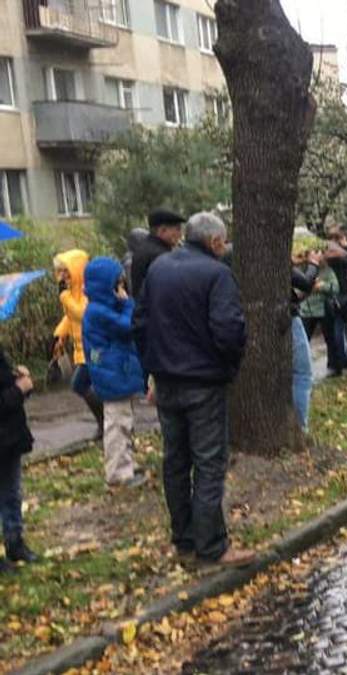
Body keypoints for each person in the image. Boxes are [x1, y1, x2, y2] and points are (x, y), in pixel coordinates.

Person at [133, 212, 253, 568]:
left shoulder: (158, 269)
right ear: (215, 242)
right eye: (224, 240)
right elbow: (229, 330)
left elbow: (140, 323)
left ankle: (184, 540)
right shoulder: (217, 274)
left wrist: (151, 371)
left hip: (167, 382)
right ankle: (212, 546)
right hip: (203, 382)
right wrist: (228, 368)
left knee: (175, 463)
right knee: (209, 464)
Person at [83, 257, 147, 489]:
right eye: (117, 284)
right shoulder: (98, 311)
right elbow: (128, 326)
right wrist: (128, 303)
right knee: (117, 424)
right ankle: (118, 473)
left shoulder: (102, 307)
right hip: (113, 376)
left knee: (125, 422)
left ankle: (125, 462)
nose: (121, 288)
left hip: (117, 373)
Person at [52, 249, 103, 438]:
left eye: (66, 270)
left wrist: (64, 297)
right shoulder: (71, 290)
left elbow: (81, 314)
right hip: (81, 348)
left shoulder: (87, 291)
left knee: (79, 384)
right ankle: (104, 422)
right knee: (84, 385)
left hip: (91, 347)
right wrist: (59, 335)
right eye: (60, 271)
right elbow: (69, 316)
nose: (62, 275)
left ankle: (104, 420)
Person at [0, 345, 37, 572]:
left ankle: (15, 542)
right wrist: (19, 389)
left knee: (12, 493)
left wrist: (17, 379)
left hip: (8, 437)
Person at [298, 247, 346, 376]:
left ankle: (335, 367)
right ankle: (302, 368)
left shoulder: (326, 270)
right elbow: (297, 288)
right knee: (303, 341)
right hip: (306, 310)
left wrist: (322, 286)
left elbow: (335, 288)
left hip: (323, 309)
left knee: (330, 339)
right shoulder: (301, 270)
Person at [290, 238, 320, 432]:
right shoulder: (274, 258)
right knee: (302, 374)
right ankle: (301, 427)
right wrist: (314, 264)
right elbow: (305, 283)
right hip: (288, 320)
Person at [130, 209, 185, 299]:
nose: (180, 234)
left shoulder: (143, 249)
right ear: (162, 230)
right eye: (177, 229)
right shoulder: (161, 256)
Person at [325, 229, 347, 369]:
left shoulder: (326, 253)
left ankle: (338, 357)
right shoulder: (339, 254)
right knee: (340, 326)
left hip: (331, 292)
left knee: (337, 326)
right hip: (341, 291)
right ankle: (343, 357)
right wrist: (346, 247)